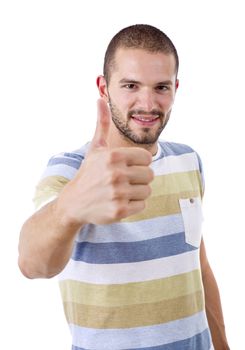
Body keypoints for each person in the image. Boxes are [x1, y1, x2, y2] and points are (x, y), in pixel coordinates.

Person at [18, 24, 230, 350]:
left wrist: (223, 345)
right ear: (104, 88)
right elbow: (32, 264)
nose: (147, 104)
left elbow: (197, 266)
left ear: (176, 88)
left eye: (161, 87)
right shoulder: (72, 170)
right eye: (130, 85)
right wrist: (70, 206)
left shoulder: (188, 160)